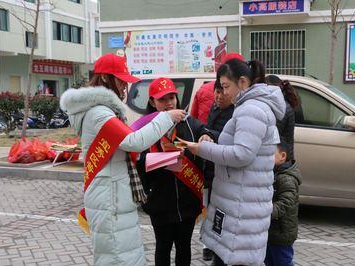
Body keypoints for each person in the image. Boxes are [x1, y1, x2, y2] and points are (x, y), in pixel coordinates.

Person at [60, 53, 186, 266]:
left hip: (113, 193)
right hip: (110, 198)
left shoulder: (102, 111)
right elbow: (134, 142)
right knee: (118, 257)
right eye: (121, 81)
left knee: (121, 254)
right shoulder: (99, 113)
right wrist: (166, 117)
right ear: (108, 79)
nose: (125, 87)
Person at [181, 59, 286, 266]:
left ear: (243, 82)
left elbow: (241, 154)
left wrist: (200, 149)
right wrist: (211, 138)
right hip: (239, 200)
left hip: (242, 205)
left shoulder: (251, 110)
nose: (223, 92)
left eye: (226, 86)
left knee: (235, 259)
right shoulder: (249, 106)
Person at [136, 77, 214, 266]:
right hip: (159, 203)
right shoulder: (145, 128)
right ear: (152, 102)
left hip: (187, 204)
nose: (169, 103)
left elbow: (207, 132)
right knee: (162, 248)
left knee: (184, 249)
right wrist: (162, 161)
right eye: (162, 99)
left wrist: (207, 135)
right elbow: (138, 160)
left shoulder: (189, 124)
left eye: (172, 97)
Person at [201, 79, 235, 261]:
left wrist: (209, 135)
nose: (218, 96)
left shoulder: (234, 113)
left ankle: (216, 248)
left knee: (220, 210)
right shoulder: (214, 109)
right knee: (208, 207)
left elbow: (226, 139)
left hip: (222, 170)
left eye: (222, 92)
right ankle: (208, 245)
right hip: (209, 168)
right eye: (216, 92)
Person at [265, 141, 302, 266]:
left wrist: (268, 211)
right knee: (269, 260)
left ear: (283, 156)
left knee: (283, 262)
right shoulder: (275, 173)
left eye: (271, 154)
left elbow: (286, 202)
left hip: (282, 233)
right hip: (272, 231)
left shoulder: (286, 178)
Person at [191, 52, 245, 124]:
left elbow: (193, 118)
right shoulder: (244, 96)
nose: (221, 96)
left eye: (226, 87)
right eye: (218, 91)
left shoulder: (203, 89)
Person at [265, 75, 303, 162]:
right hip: (285, 155)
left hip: (279, 157)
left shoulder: (280, 108)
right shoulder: (284, 105)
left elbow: (273, 134)